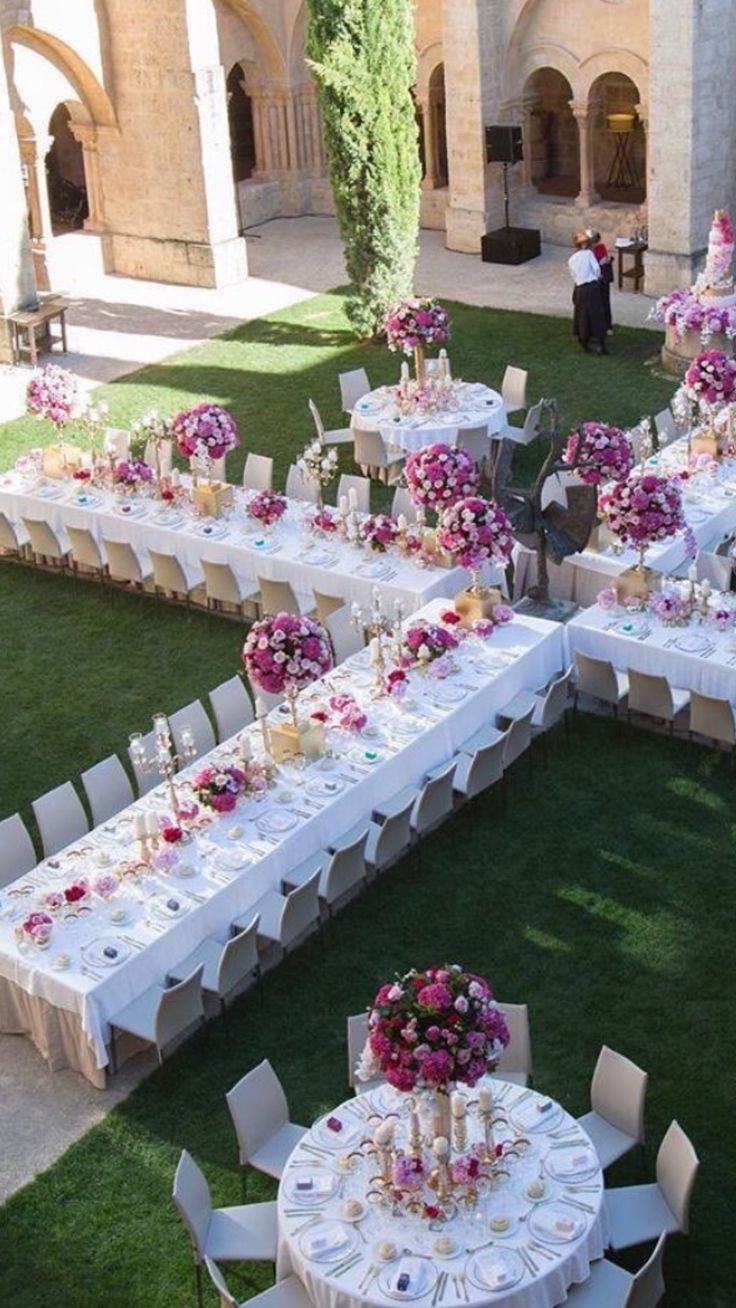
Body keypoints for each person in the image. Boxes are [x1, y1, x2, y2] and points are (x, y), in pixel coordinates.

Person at [567, 233, 608, 354]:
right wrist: (598, 276)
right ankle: (601, 343)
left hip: (580, 288)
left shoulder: (572, 259)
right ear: (584, 244)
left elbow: (573, 275)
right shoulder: (589, 254)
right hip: (592, 287)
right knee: (597, 315)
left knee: (582, 316)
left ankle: (584, 341)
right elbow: (596, 269)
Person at [586, 228, 614, 333]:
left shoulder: (600, 248)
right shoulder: (586, 251)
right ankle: (596, 326)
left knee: (604, 302)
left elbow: (602, 262)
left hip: (600, 280)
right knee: (595, 304)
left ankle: (607, 326)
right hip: (593, 280)